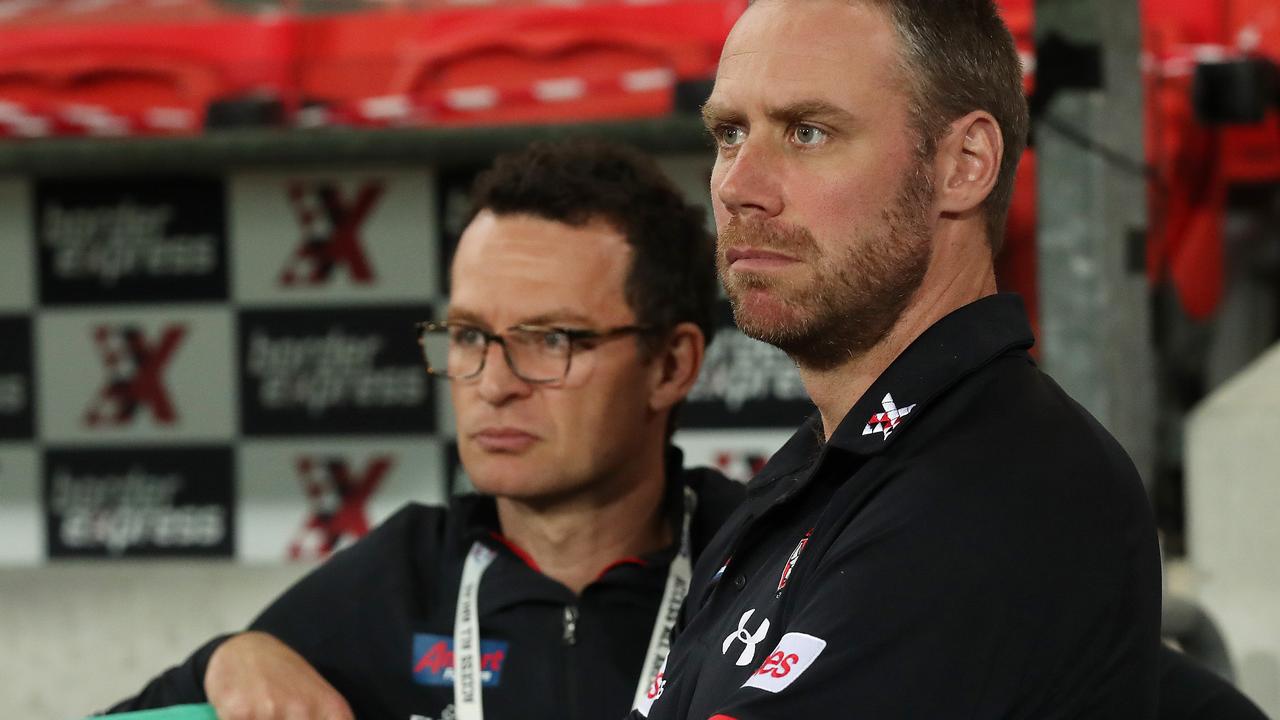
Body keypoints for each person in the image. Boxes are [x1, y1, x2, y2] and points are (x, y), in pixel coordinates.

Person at [631, 1, 1162, 718]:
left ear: (963, 165)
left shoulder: (1005, 486)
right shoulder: (822, 473)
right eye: (729, 134)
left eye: (808, 132)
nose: (736, 187)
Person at [105, 139, 744, 720]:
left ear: (669, 366)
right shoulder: (398, 579)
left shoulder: (771, 564)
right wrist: (224, 661)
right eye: (469, 336)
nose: (493, 384)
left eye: (551, 340)